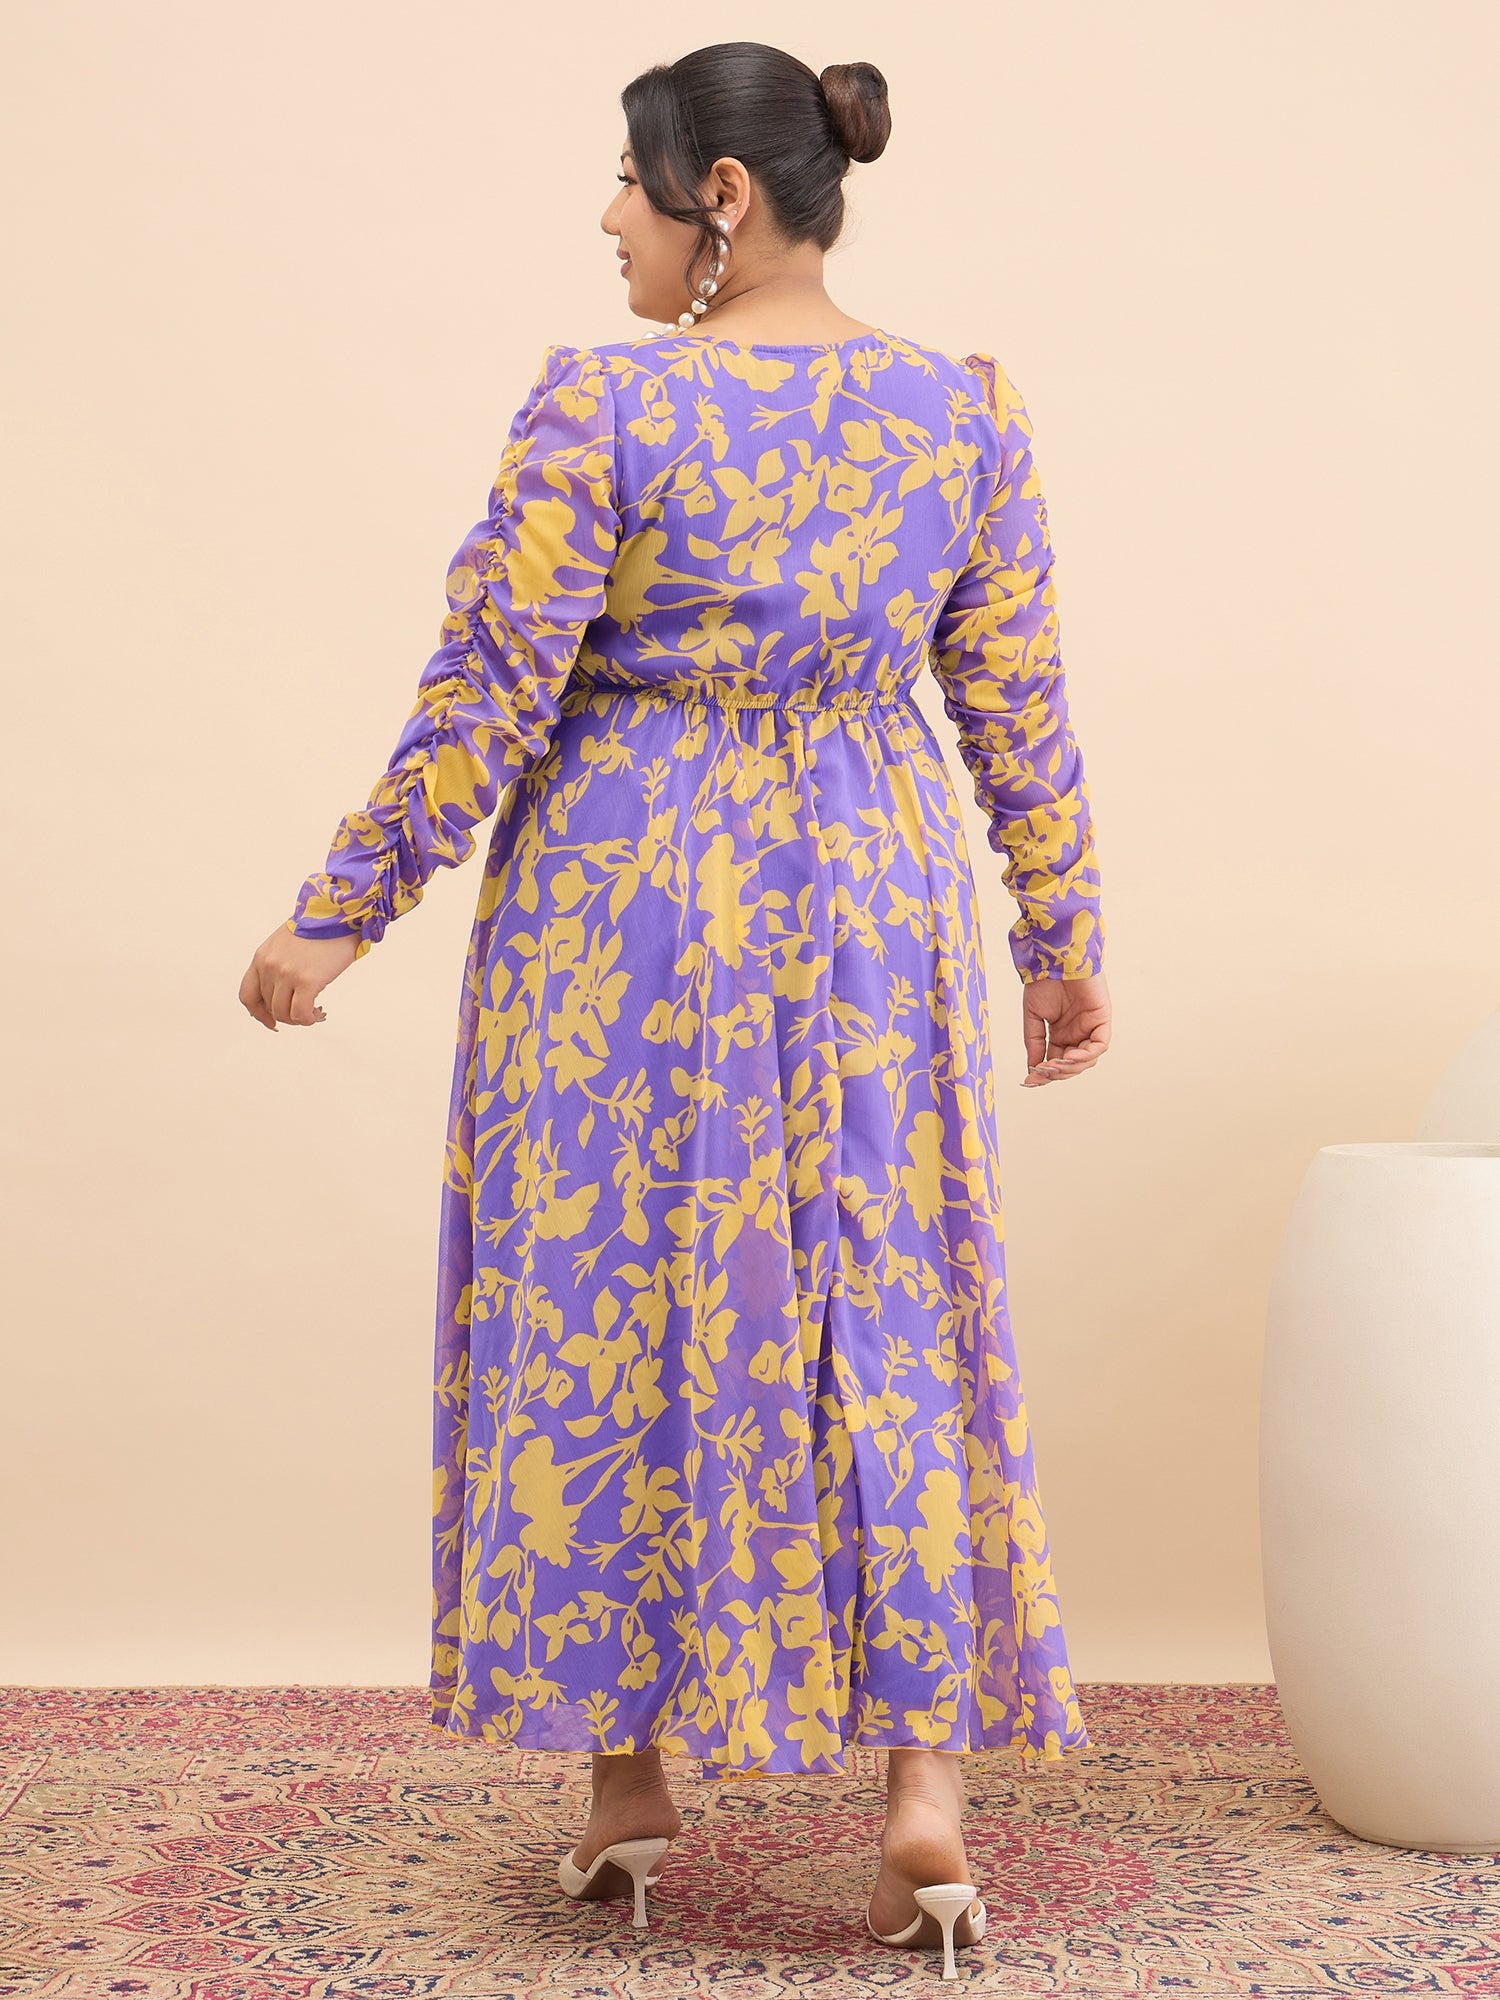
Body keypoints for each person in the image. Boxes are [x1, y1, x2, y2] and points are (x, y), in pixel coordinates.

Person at [240, 38, 1110, 1981]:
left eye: (627, 183)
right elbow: (1015, 698)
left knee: (611, 1295)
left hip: (626, 898)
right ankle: (925, 1799)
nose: (606, 218)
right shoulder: (960, 409)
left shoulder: (607, 405)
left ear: (720, 193)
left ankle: (629, 1783)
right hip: (871, 889)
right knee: (888, 1294)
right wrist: (1059, 936)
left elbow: (491, 685)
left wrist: (340, 912)